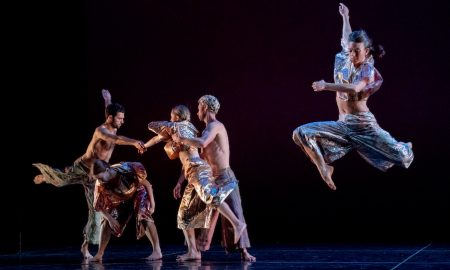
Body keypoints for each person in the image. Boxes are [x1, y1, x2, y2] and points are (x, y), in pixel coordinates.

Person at [292, 3, 414, 190]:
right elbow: (345, 38)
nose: (352, 54)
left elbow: (356, 88)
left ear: (367, 51)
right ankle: (325, 169)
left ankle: (405, 146)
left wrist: (326, 85)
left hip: (363, 126)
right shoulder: (345, 58)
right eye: (351, 50)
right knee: (300, 133)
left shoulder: (368, 69)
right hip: (343, 124)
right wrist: (345, 17)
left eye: (357, 51)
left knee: (404, 158)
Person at [32, 89, 146, 258]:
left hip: (96, 176)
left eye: (123, 118)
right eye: (120, 118)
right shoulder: (101, 131)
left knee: (95, 212)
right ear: (111, 118)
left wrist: (108, 99)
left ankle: (85, 247)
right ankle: (48, 176)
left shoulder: (111, 122)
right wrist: (134, 142)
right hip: (83, 168)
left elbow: (109, 109)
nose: (123, 121)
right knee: (61, 181)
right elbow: (116, 139)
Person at [144, 105, 246, 261]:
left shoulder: (176, 126)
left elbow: (152, 126)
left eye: (172, 116)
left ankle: (237, 223)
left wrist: (168, 128)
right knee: (184, 216)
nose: (170, 119)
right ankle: (193, 252)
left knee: (210, 197)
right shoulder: (191, 128)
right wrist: (145, 145)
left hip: (197, 170)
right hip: (191, 172)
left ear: (176, 117)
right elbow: (160, 140)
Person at [172, 95, 255, 262]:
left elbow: (202, 143)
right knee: (199, 213)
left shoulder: (216, 126)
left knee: (235, 210)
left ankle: (244, 252)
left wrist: (181, 139)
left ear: (205, 108)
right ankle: (195, 251)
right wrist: (180, 181)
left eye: (199, 107)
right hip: (210, 178)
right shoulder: (204, 131)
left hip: (225, 176)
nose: (197, 111)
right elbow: (195, 160)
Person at [89, 159, 162, 262]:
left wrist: (152, 204)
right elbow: (98, 205)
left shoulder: (126, 170)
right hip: (119, 198)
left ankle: (157, 251)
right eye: (97, 178)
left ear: (107, 170)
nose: (99, 180)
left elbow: (147, 184)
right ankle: (99, 254)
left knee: (143, 214)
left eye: (100, 177)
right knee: (105, 220)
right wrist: (110, 219)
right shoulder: (100, 183)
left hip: (137, 190)